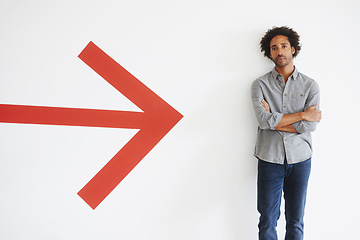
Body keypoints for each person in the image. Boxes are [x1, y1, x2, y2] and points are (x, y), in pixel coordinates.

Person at [251, 26, 322, 240]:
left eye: (283, 46)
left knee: (296, 221)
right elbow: (263, 121)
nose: (279, 51)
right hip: (269, 159)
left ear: (292, 49)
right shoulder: (259, 85)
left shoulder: (310, 85)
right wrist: (301, 115)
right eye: (274, 48)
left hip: (301, 159)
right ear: (269, 53)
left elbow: (310, 127)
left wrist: (276, 118)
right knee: (267, 221)